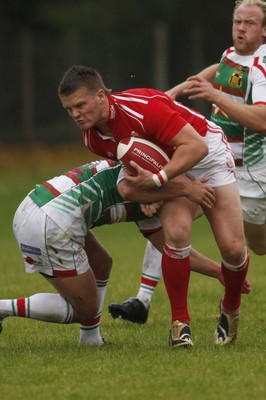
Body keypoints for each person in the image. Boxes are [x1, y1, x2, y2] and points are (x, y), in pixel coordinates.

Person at [58, 66, 249, 347]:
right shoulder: (93, 137)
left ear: (100, 95)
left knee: (232, 248)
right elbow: (140, 165)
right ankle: (180, 325)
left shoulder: (142, 108)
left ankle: (230, 307)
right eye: (68, 109)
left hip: (204, 151)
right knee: (177, 231)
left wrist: (158, 181)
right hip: (171, 167)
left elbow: (196, 148)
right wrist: (153, 191)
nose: (75, 114)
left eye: (80, 105)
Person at [0, 159, 218, 345]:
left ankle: (90, 339)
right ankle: (3, 308)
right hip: (52, 224)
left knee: (101, 263)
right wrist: (221, 272)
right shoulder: (150, 192)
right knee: (84, 308)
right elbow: (175, 251)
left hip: (37, 203)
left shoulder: (141, 165)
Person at [167, 0, 266, 256]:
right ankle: (143, 296)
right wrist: (177, 91)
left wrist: (216, 96)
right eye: (237, 22)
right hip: (217, 162)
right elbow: (221, 66)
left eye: (250, 23)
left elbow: (263, 121)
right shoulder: (231, 54)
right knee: (173, 216)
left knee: (258, 245)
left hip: (251, 174)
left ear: (264, 30)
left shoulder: (261, 67)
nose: (241, 28)